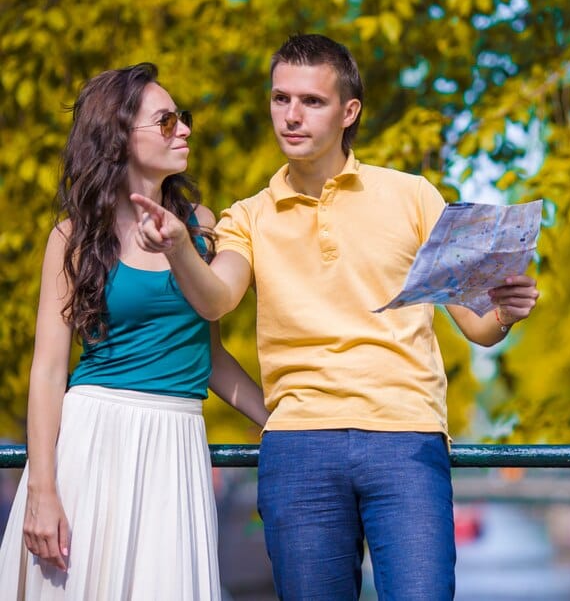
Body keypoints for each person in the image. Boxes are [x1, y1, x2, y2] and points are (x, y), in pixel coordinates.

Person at [132, 34, 540, 600]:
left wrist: (505, 312)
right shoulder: (246, 216)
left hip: (407, 437)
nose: (291, 116)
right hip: (299, 446)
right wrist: (178, 247)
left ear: (349, 112)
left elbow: (478, 327)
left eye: (311, 102)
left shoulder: (413, 196)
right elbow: (216, 300)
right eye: (280, 99)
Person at [0, 63, 270, 600]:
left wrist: (281, 419)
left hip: (176, 445)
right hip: (92, 440)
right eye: (167, 121)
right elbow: (50, 371)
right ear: (120, 135)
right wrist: (42, 488)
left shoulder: (201, 224)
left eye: (182, 118)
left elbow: (207, 354)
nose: (185, 130)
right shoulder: (73, 237)